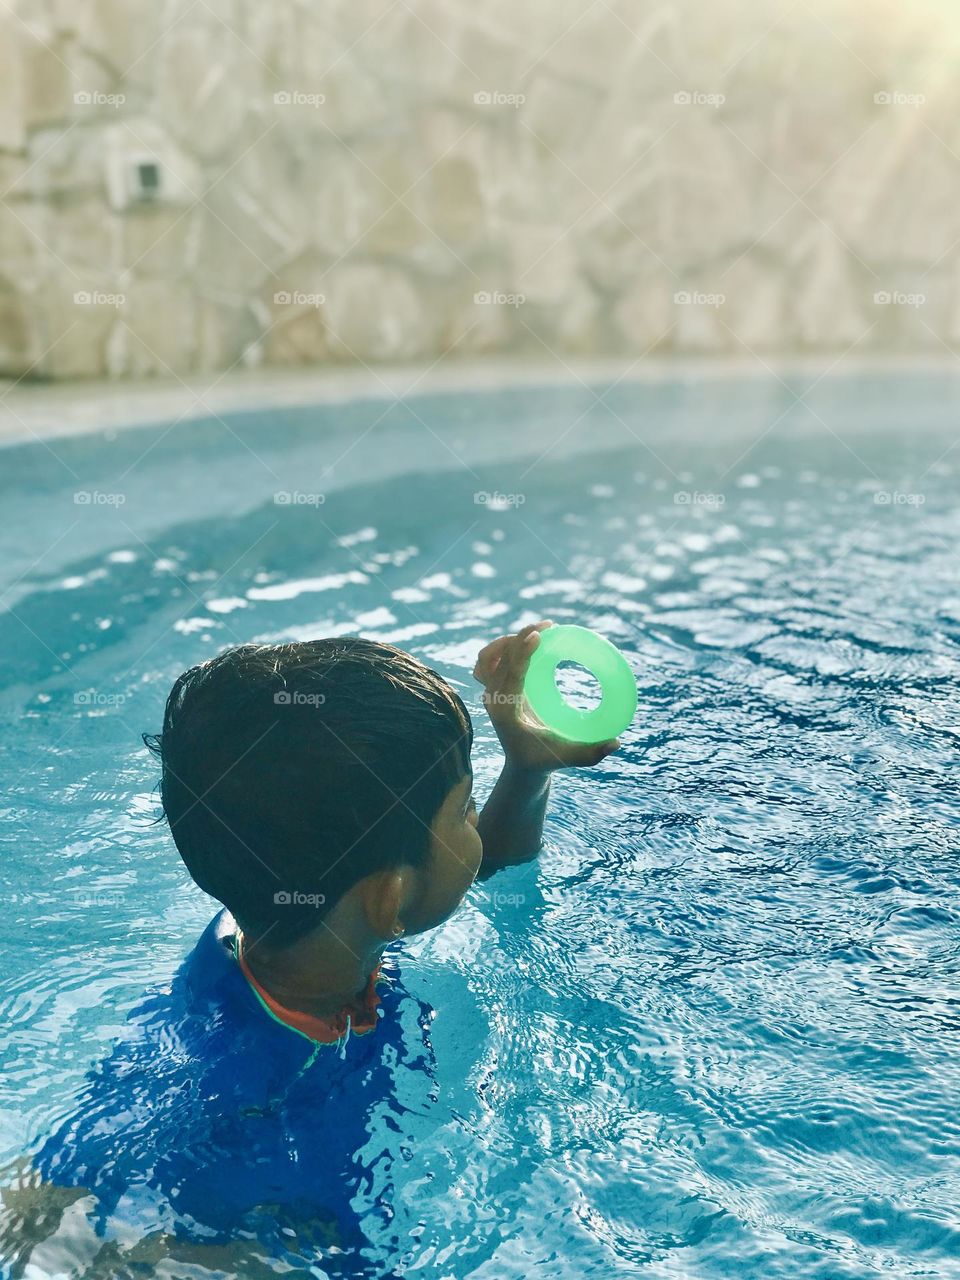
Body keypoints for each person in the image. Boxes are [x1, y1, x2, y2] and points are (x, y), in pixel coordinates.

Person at [18, 623, 619, 1269]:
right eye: (466, 810)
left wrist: (528, 772)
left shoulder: (275, 912)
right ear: (389, 899)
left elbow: (454, 871)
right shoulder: (273, 1098)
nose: (476, 834)